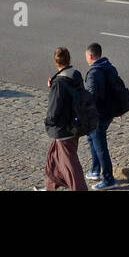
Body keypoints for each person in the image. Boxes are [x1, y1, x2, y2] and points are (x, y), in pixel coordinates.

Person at [41, 47, 88, 191]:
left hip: (63, 128)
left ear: (56, 62)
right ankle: (50, 185)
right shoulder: (76, 75)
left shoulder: (59, 83)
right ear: (69, 59)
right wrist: (54, 84)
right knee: (53, 156)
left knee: (70, 163)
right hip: (75, 123)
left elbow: (54, 110)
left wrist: (49, 123)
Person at [83, 43, 119, 190]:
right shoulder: (109, 67)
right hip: (108, 113)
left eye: (86, 56)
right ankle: (95, 170)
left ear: (90, 56)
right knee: (92, 139)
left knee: (100, 146)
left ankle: (108, 179)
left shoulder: (93, 73)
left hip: (98, 115)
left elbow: (90, 96)